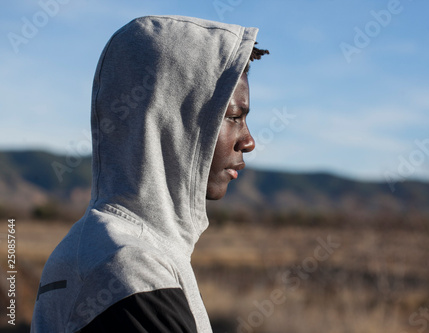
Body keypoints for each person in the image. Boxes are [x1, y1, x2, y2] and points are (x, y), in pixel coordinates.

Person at [31, 15, 268, 332]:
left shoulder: (102, 246)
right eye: (234, 117)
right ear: (170, 120)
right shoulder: (130, 269)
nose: (249, 141)